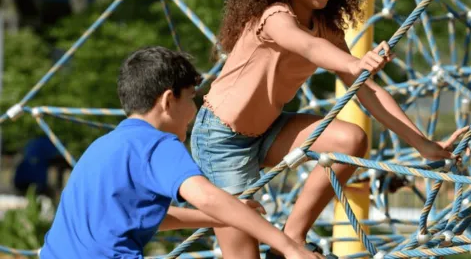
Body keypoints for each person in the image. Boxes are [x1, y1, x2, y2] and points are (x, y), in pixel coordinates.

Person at [190, 0, 467, 259]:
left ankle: (292, 238)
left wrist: (422, 144)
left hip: (266, 130)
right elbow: (306, 47)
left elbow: (368, 91)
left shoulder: (325, 27)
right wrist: (353, 64)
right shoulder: (274, 15)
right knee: (244, 255)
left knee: (350, 139)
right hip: (221, 139)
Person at [40, 46, 322, 259]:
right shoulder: (157, 144)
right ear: (168, 100)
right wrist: (288, 246)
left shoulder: (103, 146)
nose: (194, 111)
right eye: (191, 99)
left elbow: (149, 217)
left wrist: (219, 216)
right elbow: (207, 197)